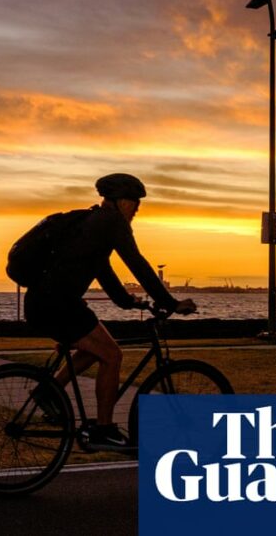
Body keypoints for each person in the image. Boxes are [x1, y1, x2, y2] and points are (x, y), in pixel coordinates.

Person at [24, 173, 197, 450]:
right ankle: (103, 430)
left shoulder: (94, 222)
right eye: (135, 202)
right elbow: (137, 264)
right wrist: (170, 303)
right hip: (57, 304)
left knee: (96, 349)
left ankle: (48, 392)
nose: (137, 209)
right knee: (112, 355)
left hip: (46, 302)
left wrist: (128, 302)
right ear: (120, 202)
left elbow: (102, 271)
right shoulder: (112, 222)